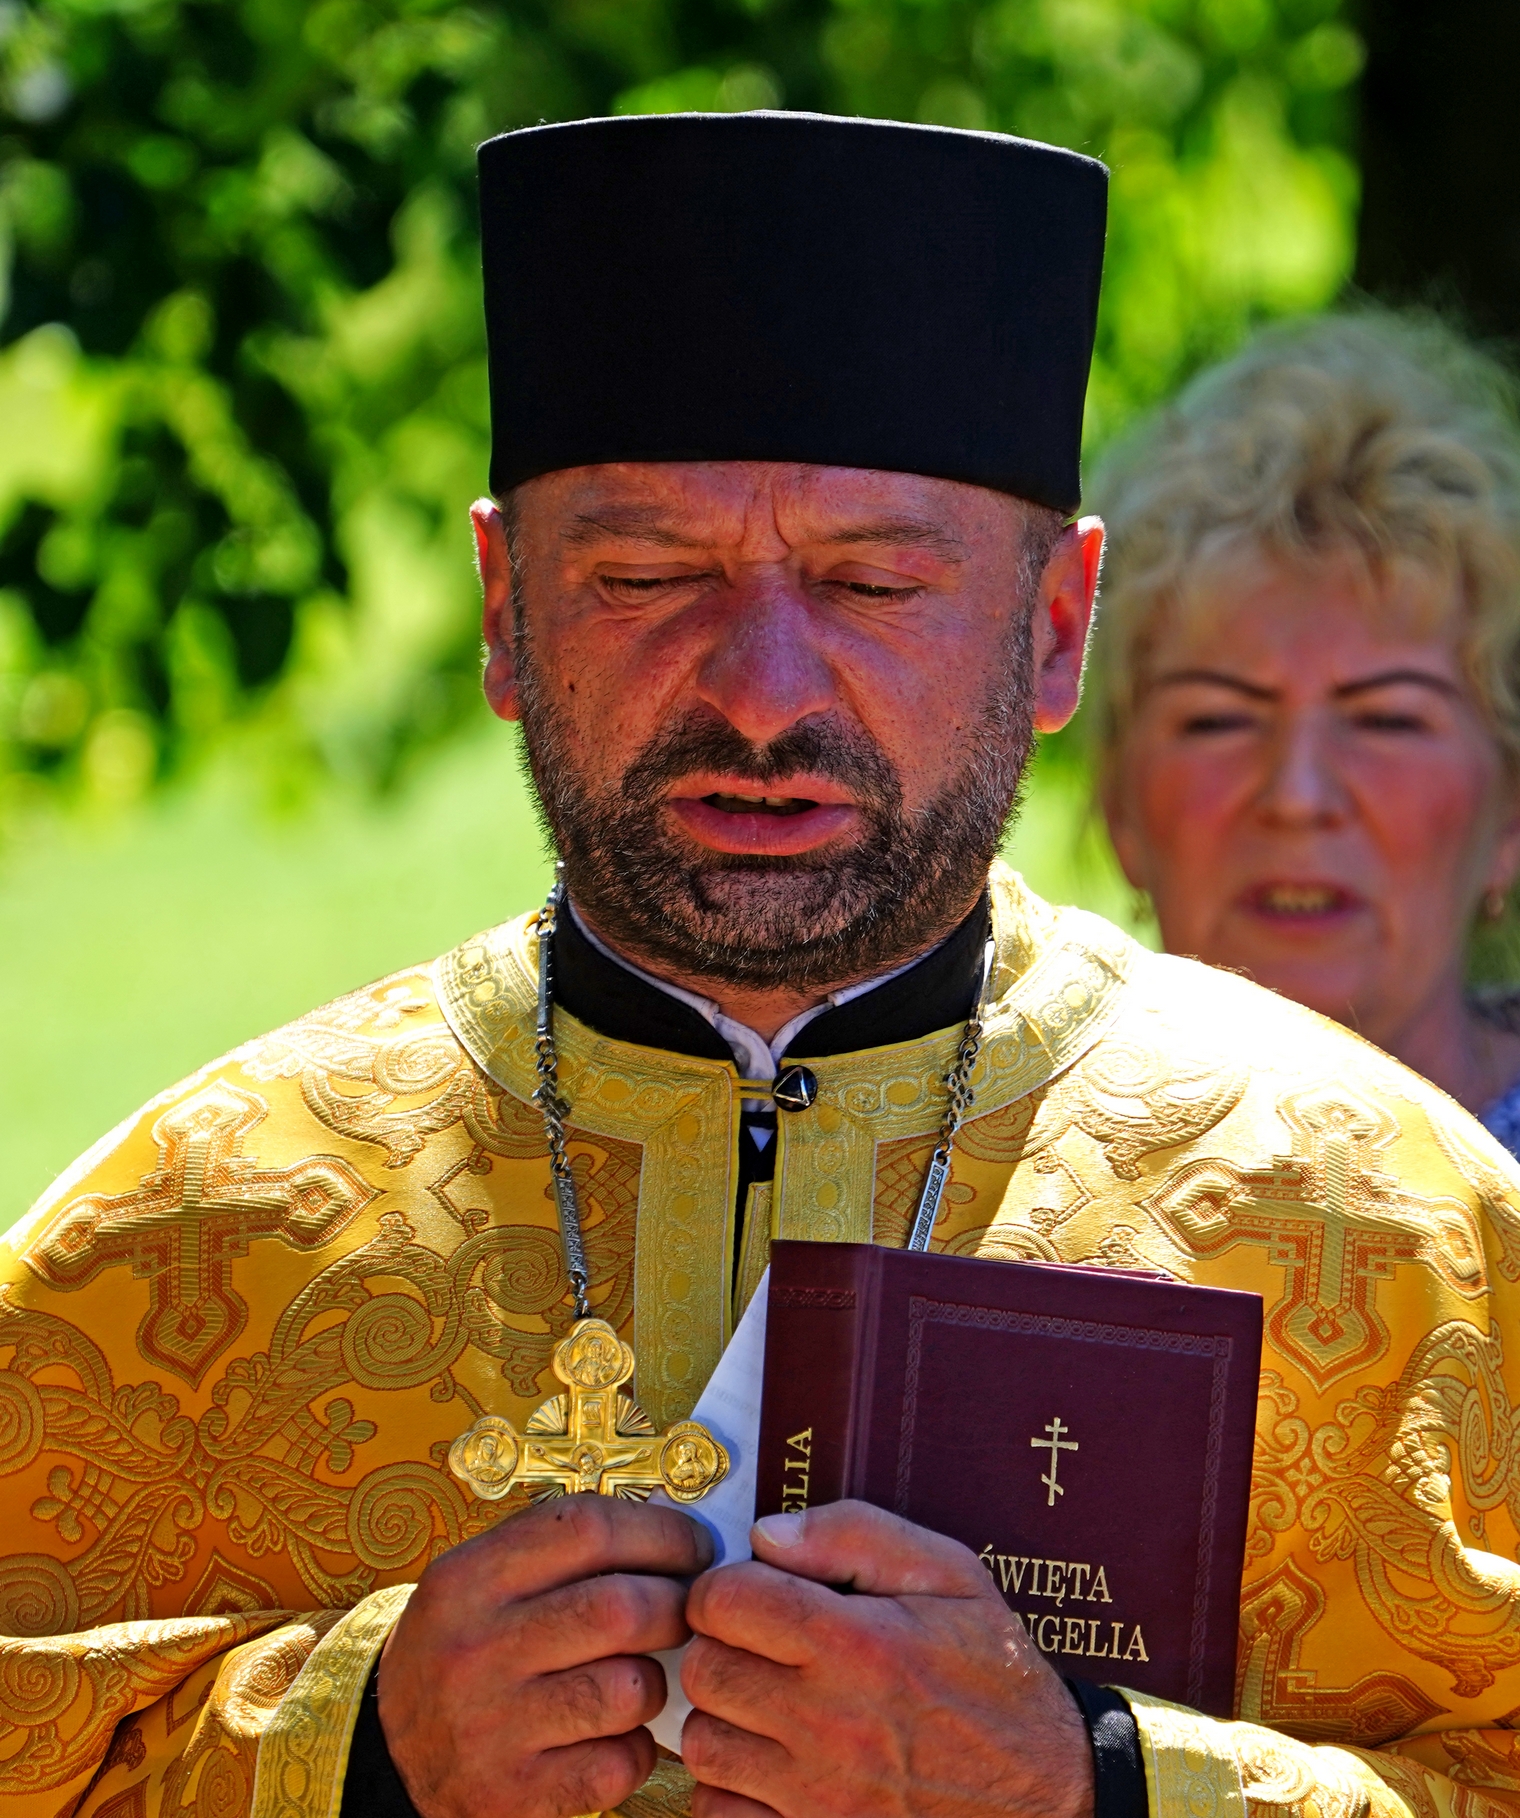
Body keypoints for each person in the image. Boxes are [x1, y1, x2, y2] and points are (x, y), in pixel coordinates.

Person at [2, 118, 1519, 1818]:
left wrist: (1092, 1785)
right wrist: (347, 1746)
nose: (763, 692)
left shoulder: (1394, 1231)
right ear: (507, 608)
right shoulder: (182, 1238)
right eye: (648, 575)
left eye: (875, 582)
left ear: (1057, 630)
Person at [1091, 309, 1520, 1148]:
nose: (1295, 793)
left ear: (1509, 815)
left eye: (1389, 719)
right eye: (1216, 718)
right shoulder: (978, 1182)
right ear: (1120, 808)